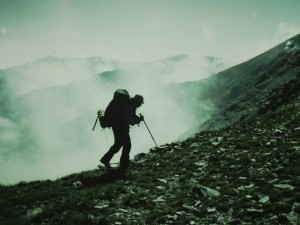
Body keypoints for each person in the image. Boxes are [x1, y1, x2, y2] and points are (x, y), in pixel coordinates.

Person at [100, 94, 144, 172]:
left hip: (117, 126)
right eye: (140, 103)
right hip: (121, 128)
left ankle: (105, 159)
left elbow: (128, 117)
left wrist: (137, 118)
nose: (140, 105)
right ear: (137, 102)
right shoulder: (129, 106)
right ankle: (124, 165)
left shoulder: (129, 105)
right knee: (127, 145)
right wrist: (138, 119)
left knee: (118, 144)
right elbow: (130, 120)